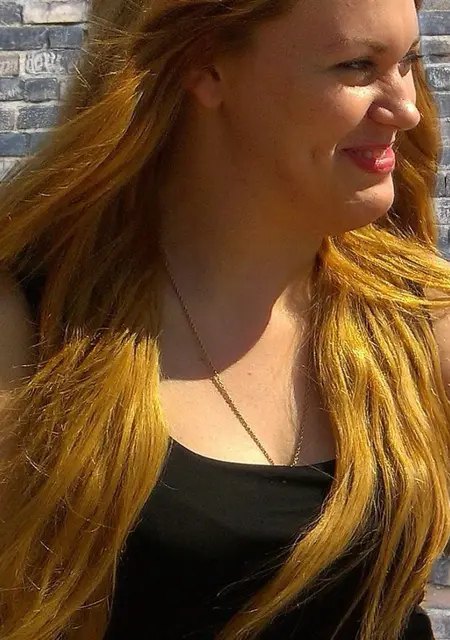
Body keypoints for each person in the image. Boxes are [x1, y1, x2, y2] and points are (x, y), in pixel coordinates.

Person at [0, 0, 450, 637]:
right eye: (356, 66)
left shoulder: (411, 315)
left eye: (407, 62)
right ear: (205, 66)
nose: (406, 109)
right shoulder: (34, 324)